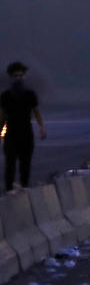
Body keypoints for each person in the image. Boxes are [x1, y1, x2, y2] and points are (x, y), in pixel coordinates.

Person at [0, 62, 46, 194]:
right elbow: (2, 115)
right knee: (10, 163)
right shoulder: (5, 96)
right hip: (11, 134)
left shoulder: (30, 95)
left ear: (24, 76)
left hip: (26, 133)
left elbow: (36, 112)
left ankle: (24, 187)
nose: (18, 78)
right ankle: (9, 189)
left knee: (25, 163)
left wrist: (42, 127)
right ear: (11, 77)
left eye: (21, 75)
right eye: (16, 75)